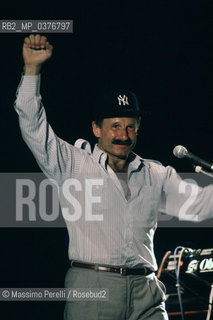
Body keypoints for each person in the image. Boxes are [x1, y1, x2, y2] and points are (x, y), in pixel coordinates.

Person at [14, 34, 213, 320]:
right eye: (115, 126)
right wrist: (32, 70)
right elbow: (32, 126)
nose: (123, 135)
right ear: (96, 129)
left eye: (130, 126)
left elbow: (200, 204)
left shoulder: (155, 173)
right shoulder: (73, 164)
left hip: (147, 291)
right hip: (94, 288)